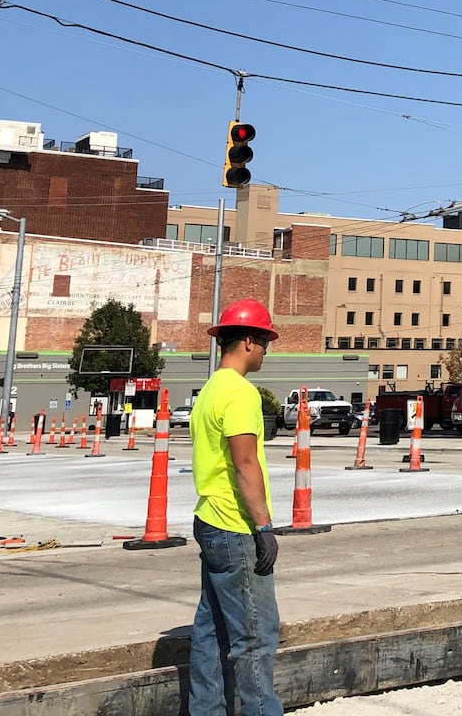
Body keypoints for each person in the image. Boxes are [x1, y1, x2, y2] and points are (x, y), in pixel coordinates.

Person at [189, 299, 282, 716]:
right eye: (264, 342)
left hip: (208, 519)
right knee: (256, 636)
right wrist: (263, 527)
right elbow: (245, 463)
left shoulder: (210, 390)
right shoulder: (241, 394)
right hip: (234, 526)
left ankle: (205, 710)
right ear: (248, 341)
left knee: (211, 630)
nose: (266, 351)